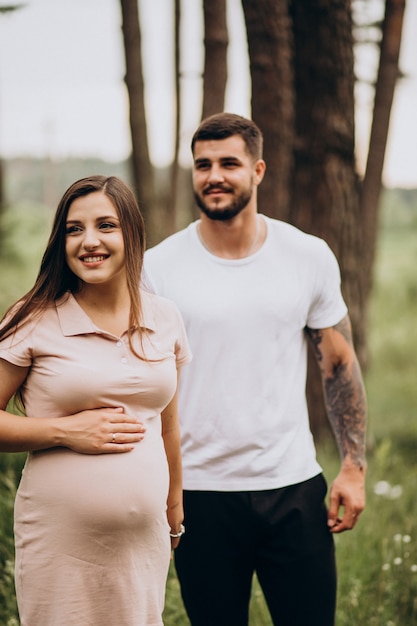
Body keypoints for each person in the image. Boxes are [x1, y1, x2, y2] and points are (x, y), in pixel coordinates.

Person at [144, 113, 367, 626]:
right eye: (203, 165)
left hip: (292, 487)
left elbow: (338, 364)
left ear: (258, 170)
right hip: (197, 493)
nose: (214, 175)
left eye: (229, 163)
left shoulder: (308, 255)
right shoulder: (158, 266)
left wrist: (353, 467)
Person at [0, 175, 191, 626]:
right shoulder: (33, 318)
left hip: (142, 543)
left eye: (106, 225)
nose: (89, 242)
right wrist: (65, 431)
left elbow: (167, 426)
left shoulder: (166, 317)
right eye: (73, 229)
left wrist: (173, 509)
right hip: (59, 542)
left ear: (132, 232)